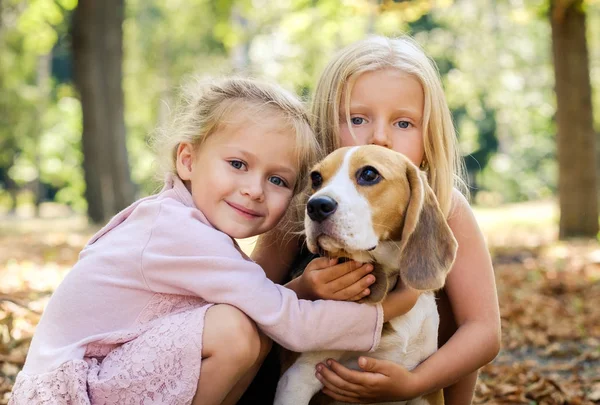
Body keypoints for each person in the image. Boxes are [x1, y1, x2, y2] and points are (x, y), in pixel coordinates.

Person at [9, 77, 406, 405]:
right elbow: (292, 325)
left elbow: (267, 308)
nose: (254, 189)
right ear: (188, 160)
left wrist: (300, 288)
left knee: (252, 329)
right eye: (238, 164)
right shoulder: (176, 230)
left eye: (277, 180)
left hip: (100, 374)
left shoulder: (185, 220)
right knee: (234, 329)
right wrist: (394, 306)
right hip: (70, 393)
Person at [250, 36, 501, 404]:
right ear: (325, 124)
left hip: (416, 374)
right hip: (317, 376)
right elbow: (251, 296)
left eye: (403, 122)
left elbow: (483, 331)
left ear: (429, 134)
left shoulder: (448, 204)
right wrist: (303, 290)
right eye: (357, 118)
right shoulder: (307, 202)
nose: (380, 137)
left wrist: (415, 384)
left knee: (443, 293)